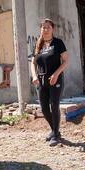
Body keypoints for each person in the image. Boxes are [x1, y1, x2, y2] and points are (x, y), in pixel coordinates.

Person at [30, 18, 69, 147]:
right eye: (43, 27)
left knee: (54, 104)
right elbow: (33, 62)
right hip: (41, 82)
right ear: (40, 29)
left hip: (55, 80)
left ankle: (56, 134)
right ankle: (54, 130)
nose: (45, 29)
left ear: (52, 29)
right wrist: (34, 75)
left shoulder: (58, 43)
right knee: (44, 108)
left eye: (48, 27)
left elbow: (66, 61)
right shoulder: (38, 44)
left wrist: (56, 74)